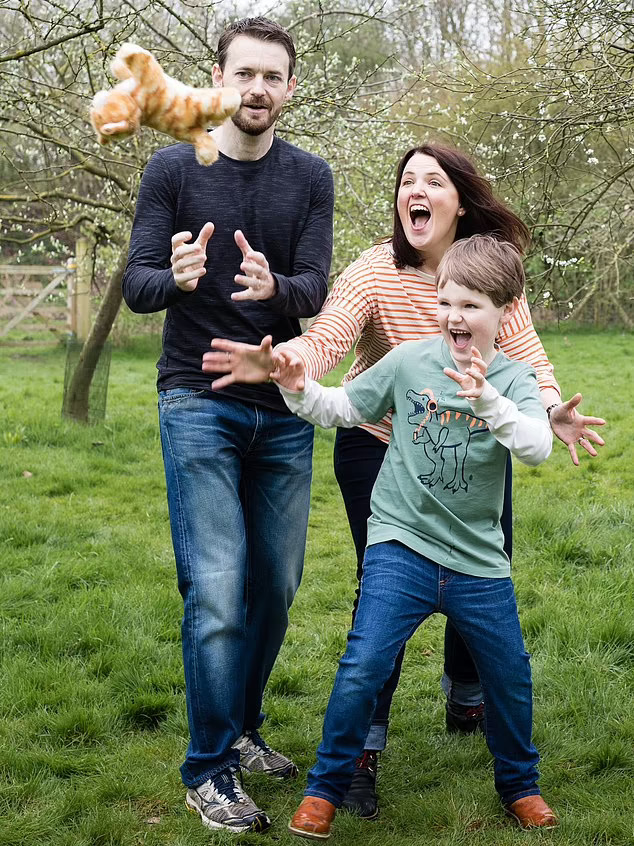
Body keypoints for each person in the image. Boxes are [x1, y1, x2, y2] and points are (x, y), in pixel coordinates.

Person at [202, 143, 605, 818]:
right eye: (406, 180)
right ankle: (360, 756)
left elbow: (527, 356)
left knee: (481, 577)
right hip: (381, 441)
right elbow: (328, 338)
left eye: (432, 180)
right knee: (383, 596)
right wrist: (287, 363)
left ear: (459, 200)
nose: (414, 190)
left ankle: (469, 692)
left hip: (480, 440)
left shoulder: (493, 270)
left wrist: (544, 408)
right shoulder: (374, 270)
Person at [122, 17, 334, 835]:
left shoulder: (310, 177)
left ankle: (241, 730)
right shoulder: (173, 168)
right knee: (215, 587)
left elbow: (314, 287)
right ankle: (207, 769)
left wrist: (272, 286)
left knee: (274, 588)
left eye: (272, 76)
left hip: (280, 406)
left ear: (289, 88)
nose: (256, 89)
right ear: (218, 79)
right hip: (197, 401)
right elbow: (139, 283)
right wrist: (174, 278)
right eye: (243, 73)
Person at [274, 234, 558, 838]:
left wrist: (489, 402)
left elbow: (537, 447)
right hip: (400, 544)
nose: (456, 316)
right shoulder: (407, 361)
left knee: (510, 675)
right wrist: (296, 386)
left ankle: (519, 785)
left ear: (504, 313)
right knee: (364, 664)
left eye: (473, 305)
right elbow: (341, 408)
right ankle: (326, 787)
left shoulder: (515, 377)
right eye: (447, 301)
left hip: (479, 560)